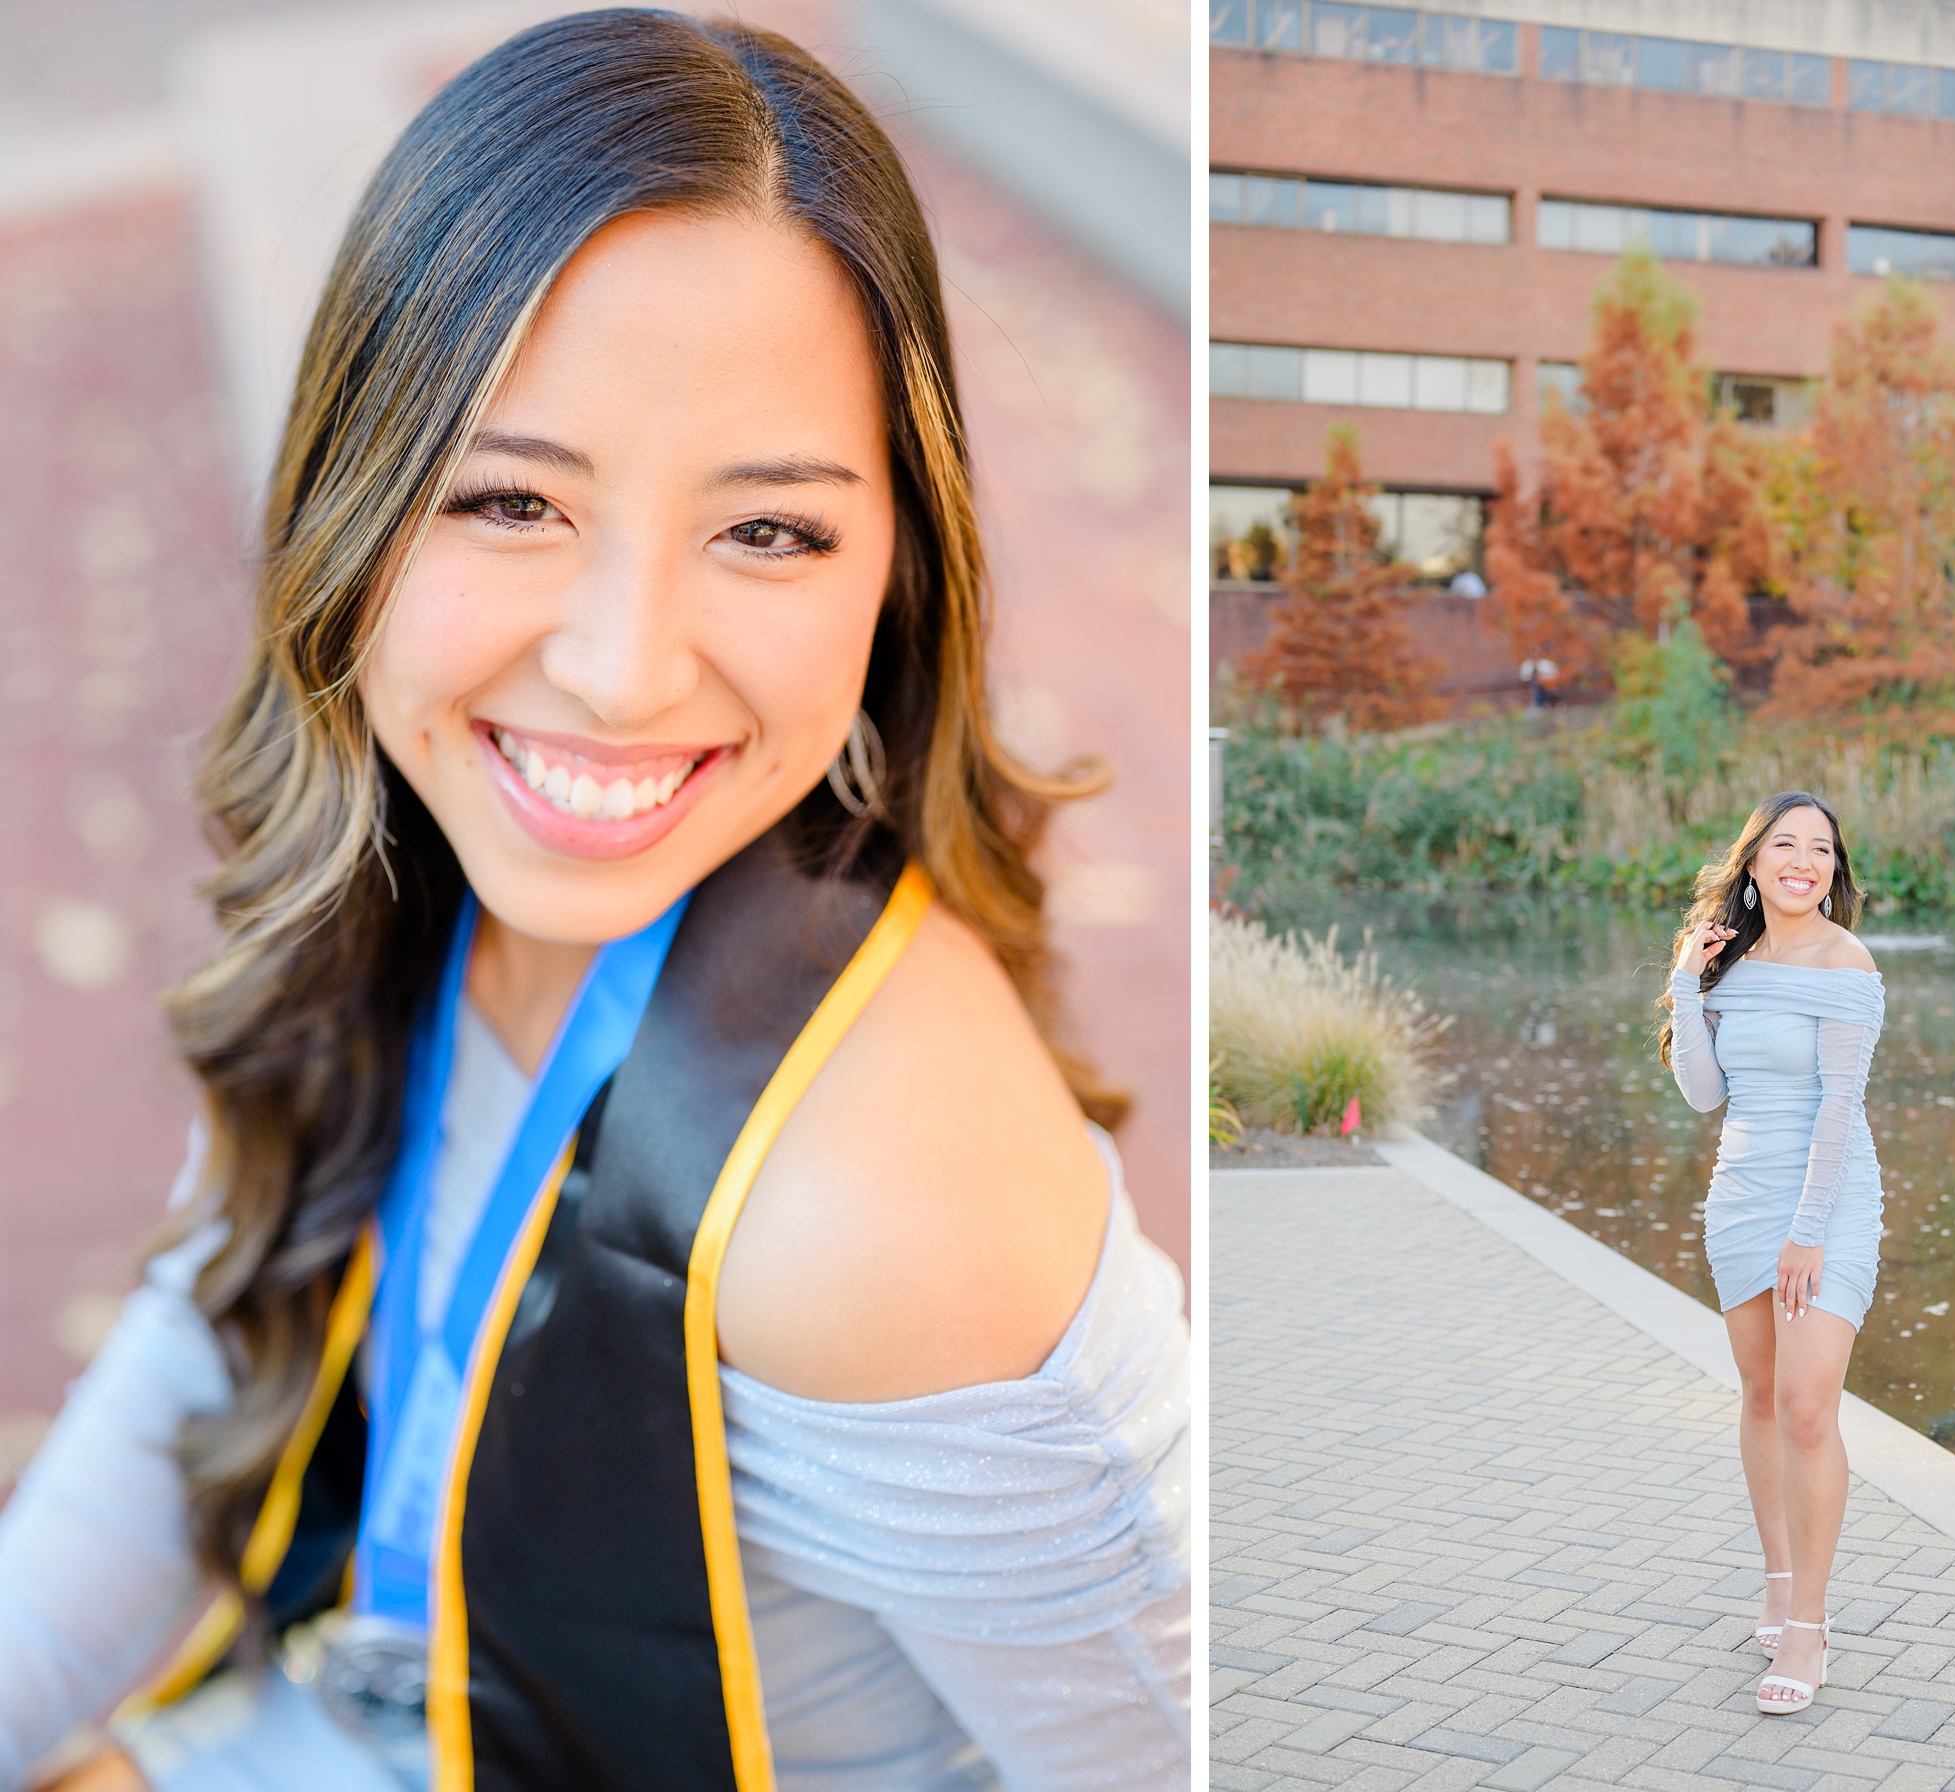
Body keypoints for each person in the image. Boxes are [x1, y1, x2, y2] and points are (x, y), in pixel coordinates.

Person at [0, 13, 1188, 1791]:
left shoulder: (892, 1217)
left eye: (767, 531)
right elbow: (197, 1351)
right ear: (357, 490)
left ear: (896, 568)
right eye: (510, 499)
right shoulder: (397, 868)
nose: (624, 673)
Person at [1658, 791, 1883, 1719]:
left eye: (1820, 848)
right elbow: (1706, 1095)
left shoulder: (1849, 963)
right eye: (1784, 845)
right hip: (1741, 1196)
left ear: (1834, 868)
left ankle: (1810, 1628)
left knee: (1803, 1408)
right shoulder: (1732, 964)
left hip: (1825, 1204)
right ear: (1751, 864)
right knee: (1756, 1395)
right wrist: (1685, 981)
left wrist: (1806, 1230)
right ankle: (1779, 1578)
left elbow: (1838, 1105)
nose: (1803, 860)